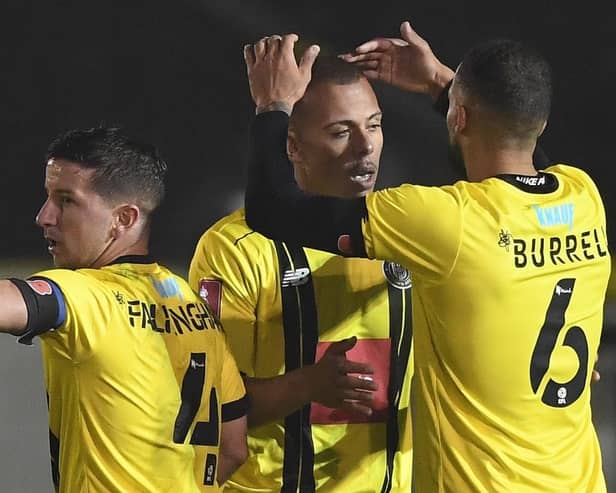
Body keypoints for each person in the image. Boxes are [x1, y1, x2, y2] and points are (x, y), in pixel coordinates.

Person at [241, 24, 610, 492]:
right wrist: (443, 85)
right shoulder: (583, 197)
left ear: (458, 118)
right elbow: (519, 152)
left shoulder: (446, 222)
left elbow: (274, 209)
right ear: (541, 123)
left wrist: (272, 106)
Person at [189, 56, 413, 491]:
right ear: (291, 146)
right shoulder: (235, 250)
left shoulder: (408, 235)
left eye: (374, 125)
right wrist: (305, 385)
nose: (365, 147)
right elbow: (207, 404)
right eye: (340, 132)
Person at [0, 126, 248, 492]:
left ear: (125, 219)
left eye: (66, 200)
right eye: (48, 197)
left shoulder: (89, 296)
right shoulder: (193, 306)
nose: (44, 216)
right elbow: (233, 447)